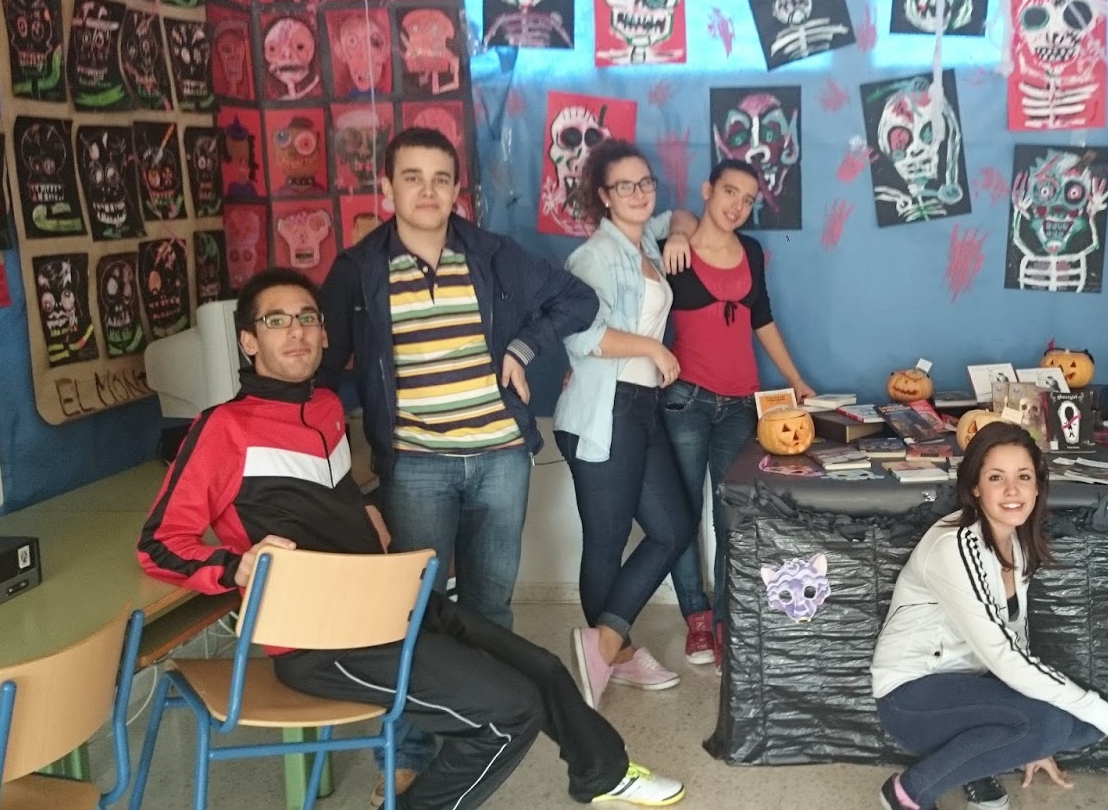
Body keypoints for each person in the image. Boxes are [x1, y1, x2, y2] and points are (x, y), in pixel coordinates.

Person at [137, 268, 685, 810]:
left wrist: (368, 510)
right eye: (276, 321)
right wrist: (234, 565)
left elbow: (327, 494)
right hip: (320, 641)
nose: (296, 331)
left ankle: (605, 775)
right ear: (249, 341)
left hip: (387, 603)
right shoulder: (223, 428)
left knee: (541, 667)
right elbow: (159, 543)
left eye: (307, 318)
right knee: (509, 714)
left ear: (324, 334)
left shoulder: (324, 408)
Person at [316, 126, 599, 794]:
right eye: (412, 177)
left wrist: (523, 348)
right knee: (412, 613)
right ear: (386, 186)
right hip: (416, 466)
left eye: (441, 179)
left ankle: (486, 731)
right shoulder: (357, 270)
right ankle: (409, 752)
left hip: (501, 459)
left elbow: (578, 301)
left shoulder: (492, 255)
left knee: (489, 607)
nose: (428, 191)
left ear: (456, 190)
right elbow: (327, 370)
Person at [870, 422, 1108, 810]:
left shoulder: (1016, 543)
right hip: (911, 697)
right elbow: (1005, 659)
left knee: (1085, 719)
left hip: (970, 686)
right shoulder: (955, 545)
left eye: (1023, 476)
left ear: (1037, 486)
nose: (1012, 490)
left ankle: (976, 765)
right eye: (996, 477)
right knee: (1065, 721)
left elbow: (1015, 642)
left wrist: (1032, 743)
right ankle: (908, 792)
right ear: (975, 487)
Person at [555, 139, 697, 709]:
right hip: (604, 409)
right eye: (625, 186)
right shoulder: (595, 257)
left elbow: (682, 216)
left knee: (673, 527)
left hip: (641, 409)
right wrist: (654, 349)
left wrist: (679, 234)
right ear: (604, 196)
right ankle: (616, 651)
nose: (639, 193)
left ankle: (607, 644)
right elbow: (581, 336)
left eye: (646, 182)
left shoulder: (647, 241)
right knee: (607, 540)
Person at [657, 158, 816, 666]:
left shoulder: (750, 251)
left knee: (733, 516)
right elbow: (632, 305)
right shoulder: (674, 251)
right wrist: (677, 229)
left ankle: (727, 618)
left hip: (741, 406)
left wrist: (795, 379)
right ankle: (697, 619)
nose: (738, 206)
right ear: (708, 190)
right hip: (686, 400)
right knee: (682, 516)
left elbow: (761, 318)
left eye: (748, 200)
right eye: (730, 192)